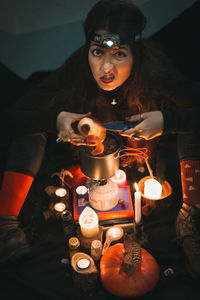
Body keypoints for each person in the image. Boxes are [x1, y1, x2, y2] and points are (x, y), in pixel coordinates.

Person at [0, 0, 200, 278]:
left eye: (119, 54)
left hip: (146, 158)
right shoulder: (76, 69)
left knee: (191, 123)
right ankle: (5, 227)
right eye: (97, 52)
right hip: (87, 164)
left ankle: (192, 216)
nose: (106, 67)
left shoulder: (155, 73)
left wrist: (168, 122)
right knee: (32, 123)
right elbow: (12, 117)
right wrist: (54, 120)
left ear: (136, 55)